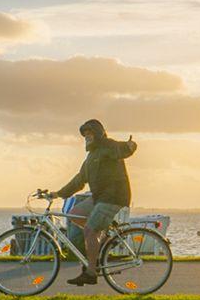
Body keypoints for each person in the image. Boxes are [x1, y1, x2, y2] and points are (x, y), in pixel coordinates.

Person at [46, 119, 137, 286]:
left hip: (113, 196)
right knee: (74, 214)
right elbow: (79, 180)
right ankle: (102, 241)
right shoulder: (91, 157)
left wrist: (130, 146)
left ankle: (91, 272)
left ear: (98, 133)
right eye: (85, 134)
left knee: (90, 230)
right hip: (99, 196)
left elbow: (121, 150)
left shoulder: (107, 145)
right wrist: (58, 193)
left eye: (90, 133)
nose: (87, 136)